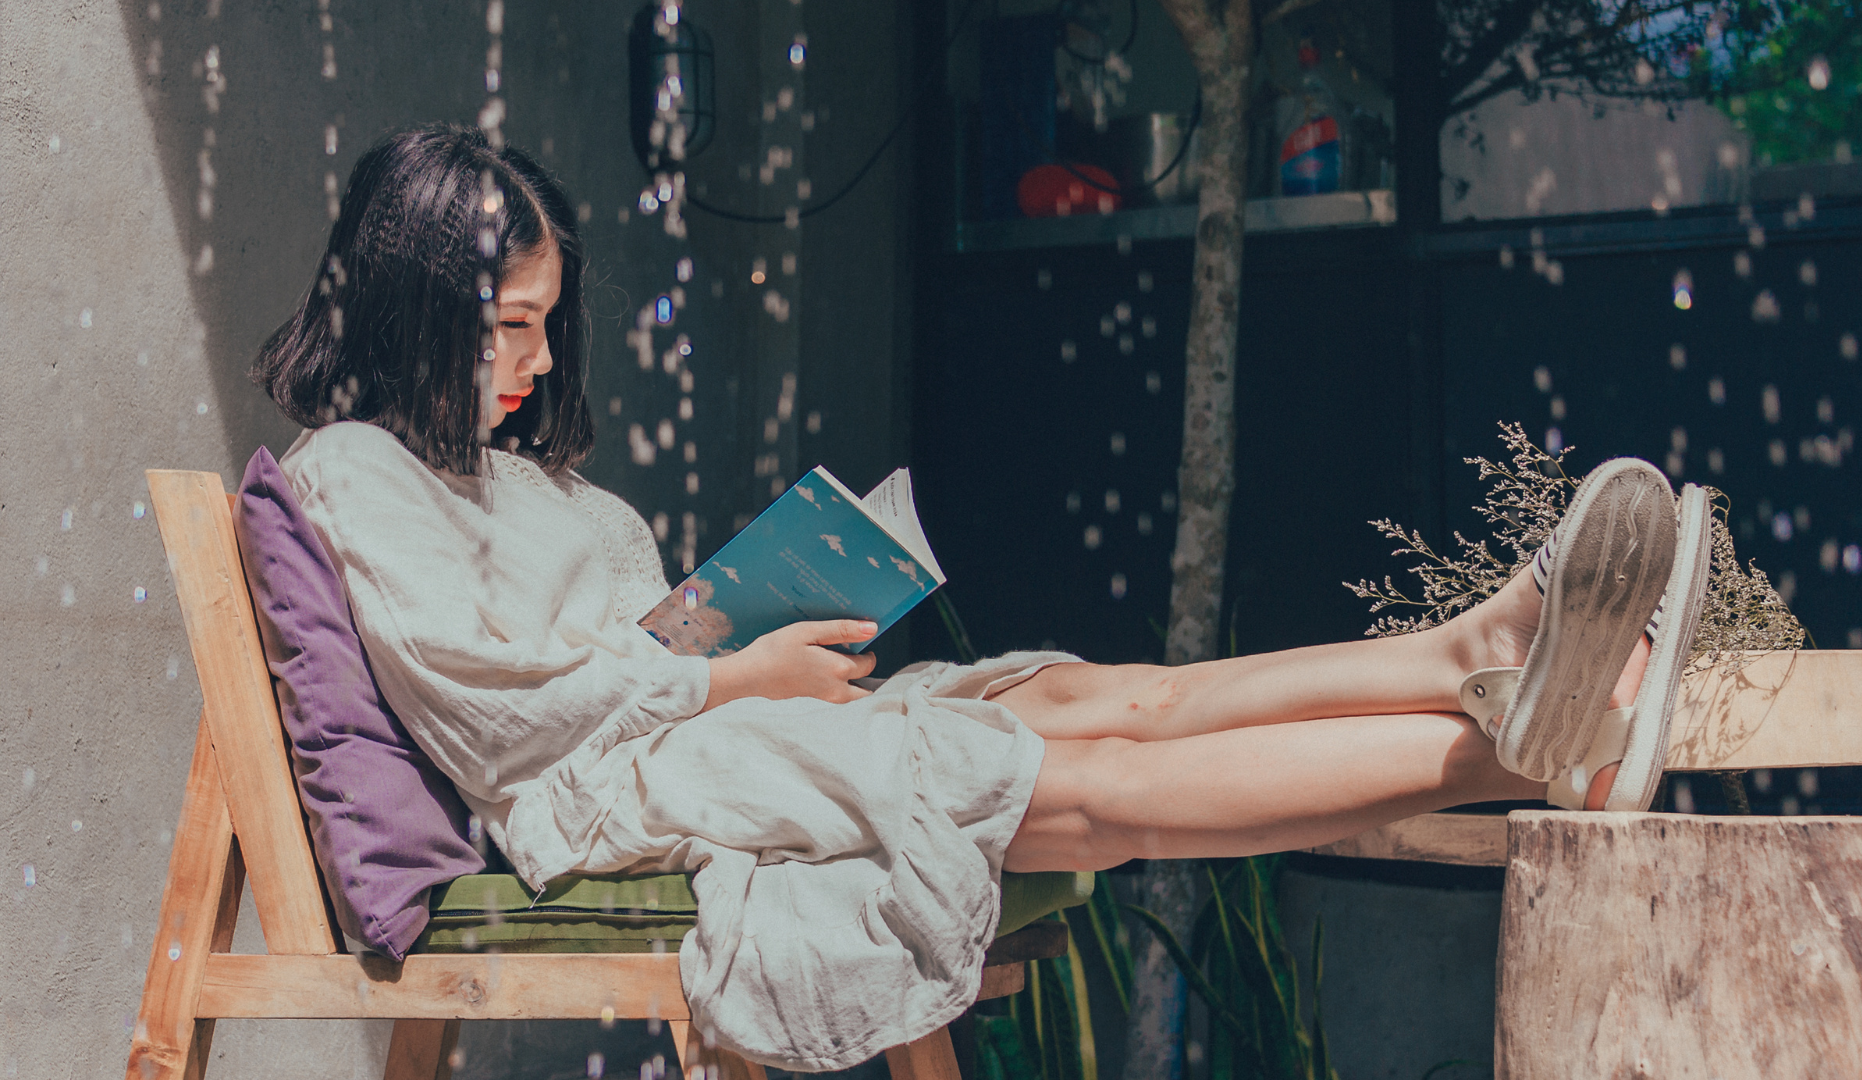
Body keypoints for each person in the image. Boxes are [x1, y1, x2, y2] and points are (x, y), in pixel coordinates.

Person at [255, 126, 1710, 1072]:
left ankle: (1481, 642)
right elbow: (501, 715)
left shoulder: (512, 478)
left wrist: (736, 633)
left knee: (1085, 694)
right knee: (1082, 777)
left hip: (704, 732)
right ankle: (1520, 745)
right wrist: (729, 679)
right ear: (412, 302)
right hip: (627, 784)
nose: (529, 360)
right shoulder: (357, 473)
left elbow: (627, 644)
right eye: (506, 325)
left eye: (545, 325)